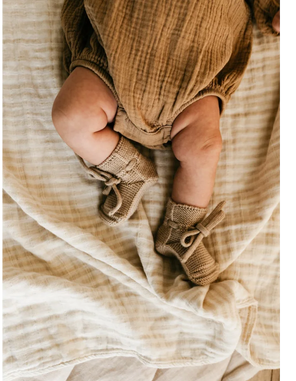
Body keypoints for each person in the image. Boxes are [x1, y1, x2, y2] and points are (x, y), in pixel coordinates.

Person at [52, 0, 281, 285]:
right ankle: (129, 169)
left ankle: (180, 227)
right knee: (71, 115)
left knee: (205, 147)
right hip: (113, 58)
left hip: (196, 79)